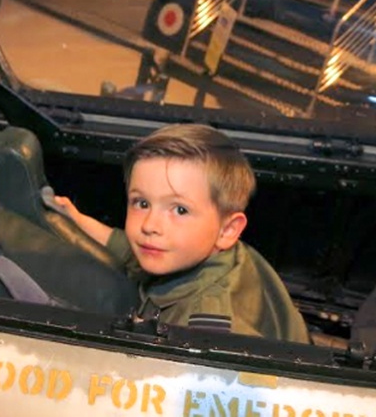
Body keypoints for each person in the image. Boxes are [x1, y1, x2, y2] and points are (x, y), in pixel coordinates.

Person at [53, 124, 309, 343]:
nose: (150, 225)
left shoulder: (201, 329)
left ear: (228, 230)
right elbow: (126, 246)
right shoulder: (196, 250)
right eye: (141, 203)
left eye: (179, 210)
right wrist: (77, 218)